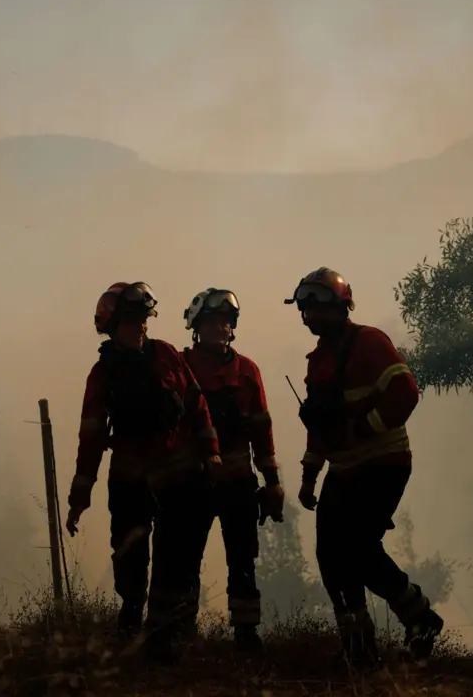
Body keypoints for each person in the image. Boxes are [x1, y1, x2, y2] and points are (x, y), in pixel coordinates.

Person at [284, 267, 444, 668]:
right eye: (304, 309)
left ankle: (420, 617)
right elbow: (321, 428)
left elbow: (406, 393)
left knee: (355, 549)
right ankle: (358, 646)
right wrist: (308, 476)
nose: (308, 316)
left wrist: (361, 428)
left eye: (315, 307)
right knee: (330, 555)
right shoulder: (317, 362)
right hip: (343, 470)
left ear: (339, 305)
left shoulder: (369, 342)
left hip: (383, 464)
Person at [65, 281, 221, 661]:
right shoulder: (102, 375)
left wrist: (212, 455)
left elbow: (198, 407)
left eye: (144, 319)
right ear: (113, 325)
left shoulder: (167, 356)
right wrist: (78, 498)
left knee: (172, 559)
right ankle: (130, 623)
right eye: (132, 320)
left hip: (176, 479)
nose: (141, 326)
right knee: (128, 555)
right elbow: (90, 437)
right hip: (128, 480)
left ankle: (164, 639)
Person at [180, 288, 284, 652]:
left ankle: (245, 633)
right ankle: (181, 630)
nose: (219, 329)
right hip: (192, 481)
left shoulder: (247, 372)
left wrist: (272, 482)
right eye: (211, 322)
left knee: (242, 559)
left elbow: (262, 430)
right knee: (184, 556)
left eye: (225, 322)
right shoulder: (182, 368)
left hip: (239, 482)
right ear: (197, 326)